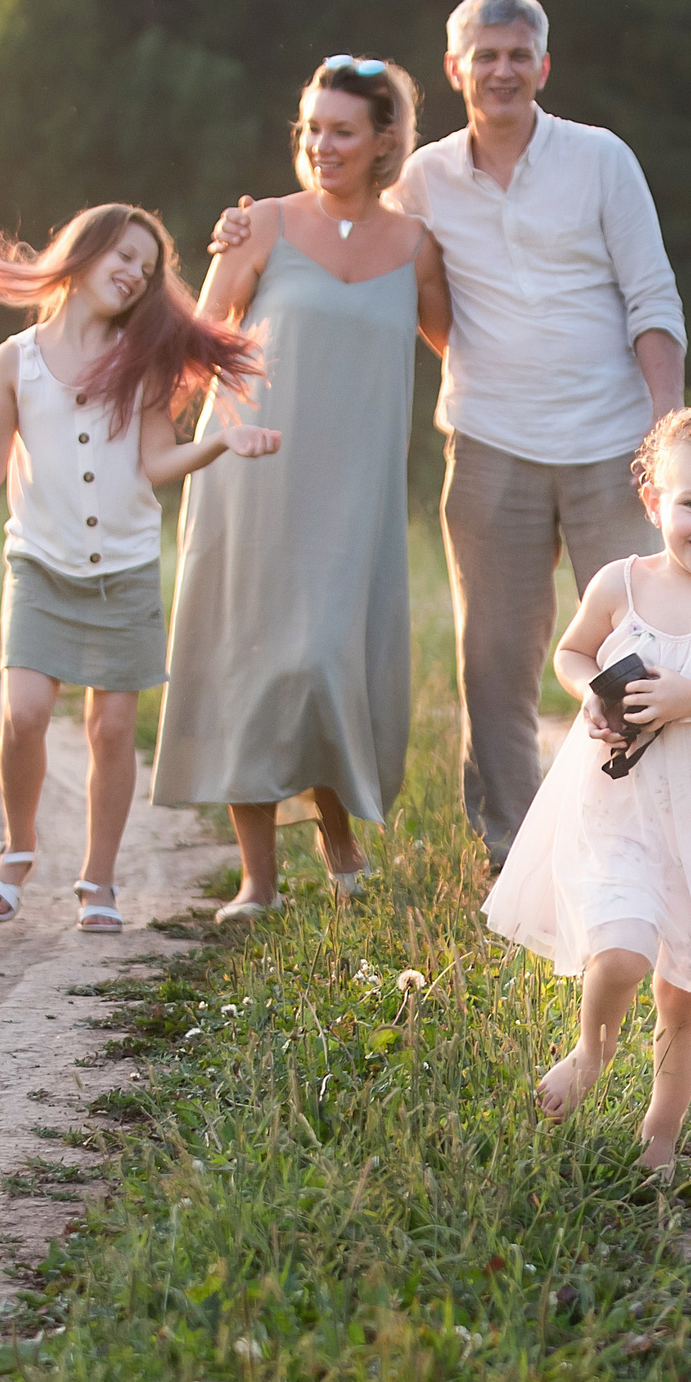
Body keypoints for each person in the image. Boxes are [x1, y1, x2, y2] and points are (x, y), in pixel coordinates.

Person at [215, 0, 685, 865]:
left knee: (636, 652)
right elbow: (341, 218)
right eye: (486, 56)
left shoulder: (601, 159)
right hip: (489, 446)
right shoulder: (423, 176)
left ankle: (637, 841)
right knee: (495, 665)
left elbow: (652, 299)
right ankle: (515, 851)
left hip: (612, 445)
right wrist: (247, 223)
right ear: (455, 70)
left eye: (518, 55)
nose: (502, 70)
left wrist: (668, 434)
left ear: (543, 65)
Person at [0, 204, 278, 930]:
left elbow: (158, 461)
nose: (135, 273)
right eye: (123, 256)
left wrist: (225, 442)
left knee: (109, 731)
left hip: (125, 571)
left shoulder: (144, 364)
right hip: (38, 563)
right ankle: (17, 847)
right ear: (81, 253)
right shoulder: (15, 359)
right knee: (25, 713)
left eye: (147, 266)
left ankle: (98, 882)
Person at [154, 56, 452, 922]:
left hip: (352, 491)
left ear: (384, 140)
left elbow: (459, 348)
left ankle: (339, 841)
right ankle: (260, 881)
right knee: (254, 660)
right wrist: (146, 441)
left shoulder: (417, 248)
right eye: (311, 129)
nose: (321, 145)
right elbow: (199, 342)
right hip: (251, 473)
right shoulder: (260, 226)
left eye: (342, 131)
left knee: (323, 659)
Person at [482, 406, 691, 1172]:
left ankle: (660, 1134)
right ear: (653, 500)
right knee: (622, 954)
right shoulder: (620, 584)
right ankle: (592, 1051)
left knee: (684, 993)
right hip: (620, 808)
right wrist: (589, 695)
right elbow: (571, 652)